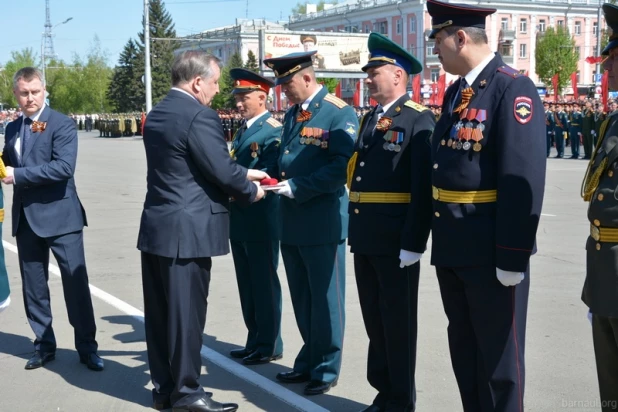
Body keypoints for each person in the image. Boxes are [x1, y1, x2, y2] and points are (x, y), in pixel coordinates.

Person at [427, 1, 546, 411]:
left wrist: (512, 256)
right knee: (466, 354)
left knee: (499, 366)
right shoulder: (458, 91)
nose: (435, 51)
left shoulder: (512, 88)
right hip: (454, 247)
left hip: (491, 251)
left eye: (438, 41)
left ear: (460, 38)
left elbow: (523, 177)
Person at [137, 51, 267, 412]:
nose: (216, 90)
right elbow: (221, 171)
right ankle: (188, 394)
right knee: (186, 319)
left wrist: (241, 174)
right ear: (197, 82)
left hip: (159, 229)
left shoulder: (160, 112)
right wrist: (249, 189)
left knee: (162, 318)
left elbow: (190, 166)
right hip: (187, 234)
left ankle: (165, 390)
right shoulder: (199, 115)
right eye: (213, 83)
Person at [347, 33, 435, 412]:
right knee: (375, 323)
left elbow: (422, 187)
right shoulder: (371, 118)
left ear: (398, 75)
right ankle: (384, 393)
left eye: (374, 72)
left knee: (397, 324)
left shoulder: (418, 119)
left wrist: (414, 242)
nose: (368, 79)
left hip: (396, 240)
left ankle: (401, 400)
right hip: (366, 236)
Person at [263, 51, 358, 395]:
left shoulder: (338, 112)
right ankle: (308, 359)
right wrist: (266, 179)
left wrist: (298, 187)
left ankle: (326, 366)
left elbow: (339, 167)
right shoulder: (293, 114)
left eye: (287, 83)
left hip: (322, 224)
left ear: (306, 77)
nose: (284, 90)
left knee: (326, 300)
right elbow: (285, 161)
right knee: (303, 299)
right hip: (291, 222)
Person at [1, 67, 103, 371]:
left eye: (35, 91)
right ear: (15, 94)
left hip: (62, 218)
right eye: (24, 93)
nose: (30, 98)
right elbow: (7, 162)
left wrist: (17, 175)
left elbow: (62, 168)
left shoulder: (61, 124)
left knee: (75, 286)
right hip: (26, 220)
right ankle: (44, 345)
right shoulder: (12, 127)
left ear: (44, 90)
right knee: (34, 288)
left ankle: (87, 348)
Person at [227, 68, 284, 366]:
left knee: (263, 282)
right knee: (247, 284)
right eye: (237, 97)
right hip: (240, 218)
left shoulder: (272, 130)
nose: (238, 103)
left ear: (263, 97)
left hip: (261, 217)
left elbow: (270, 175)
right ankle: (255, 339)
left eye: (244, 97)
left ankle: (269, 343)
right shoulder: (243, 130)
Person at [581, 4, 618, 410]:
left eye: (614, 57)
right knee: (609, 380)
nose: (606, 65)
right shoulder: (614, 122)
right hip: (605, 263)